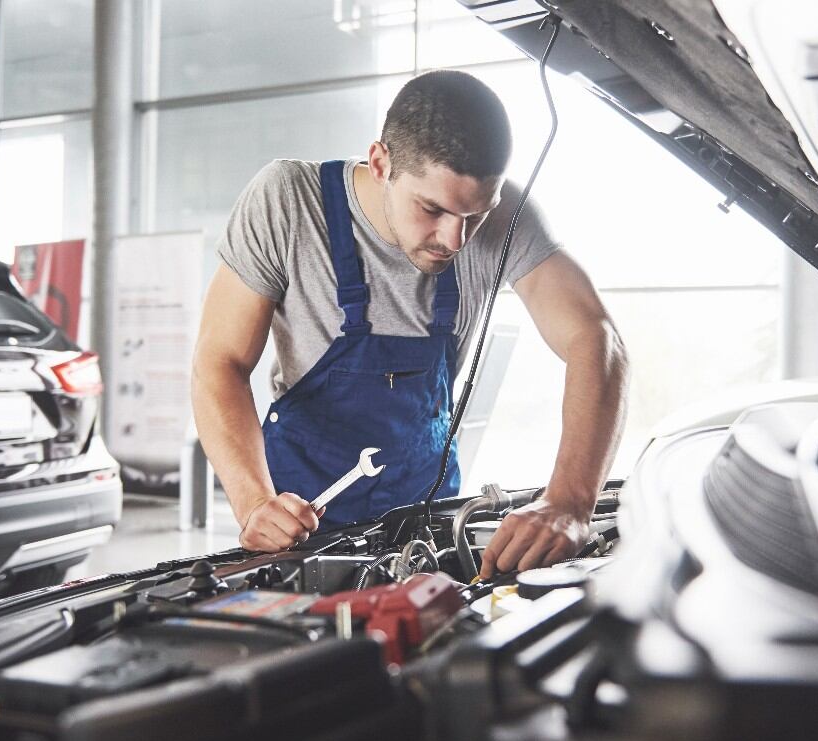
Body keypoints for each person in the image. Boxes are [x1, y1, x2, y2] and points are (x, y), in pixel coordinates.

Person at [191, 70, 628, 579]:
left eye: (476, 216)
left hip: (428, 523)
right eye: (433, 209)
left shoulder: (506, 218)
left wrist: (570, 502)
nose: (456, 239)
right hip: (297, 523)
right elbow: (219, 362)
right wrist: (253, 504)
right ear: (380, 163)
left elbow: (596, 338)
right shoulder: (289, 202)